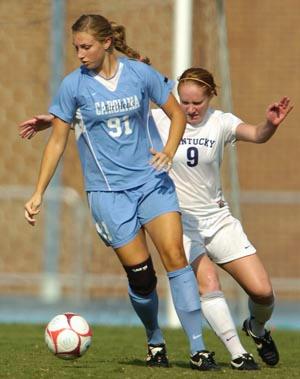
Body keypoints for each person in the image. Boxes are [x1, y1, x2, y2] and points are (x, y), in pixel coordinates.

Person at [22, 15, 219, 371]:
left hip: (151, 182)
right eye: (76, 48)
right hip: (109, 194)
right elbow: (56, 143)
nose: (80, 54)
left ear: (107, 42)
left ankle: (198, 348)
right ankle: (155, 339)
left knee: (176, 256)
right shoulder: (73, 86)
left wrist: (168, 152)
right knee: (142, 276)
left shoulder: (139, 74)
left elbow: (175, 114)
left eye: (87, 47)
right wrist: (38, 192)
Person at [150, 67, 292, 369]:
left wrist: (270, 124)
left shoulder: (221, 122)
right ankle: (239, 354)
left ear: (210, 96)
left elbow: (256, 134)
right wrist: (61, 122)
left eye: (197, 103)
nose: (190, 109)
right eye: (184, 102)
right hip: (180, 222)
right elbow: (111, 125)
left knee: (262, 292)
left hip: (218, 219)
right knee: (209, 283)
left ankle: (256, 328)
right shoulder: (159, 120)